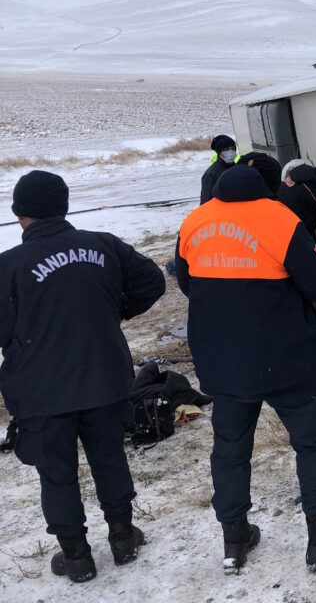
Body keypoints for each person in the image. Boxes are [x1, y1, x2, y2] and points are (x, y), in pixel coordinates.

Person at [174, 165, 316, 574]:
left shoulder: (194, 221)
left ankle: (234, 538)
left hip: (224, 363)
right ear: (267, 190)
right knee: (310, 445)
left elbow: (187, 282)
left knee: (230, 450)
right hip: (288, 358)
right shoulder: (279, 218)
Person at [0, 171, 165, 583]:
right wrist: (114, 311)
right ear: (65, 205)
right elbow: (152, 281)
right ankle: (124, 538)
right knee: (109, 456)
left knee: (56, 472)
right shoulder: (103, 245)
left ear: (20, 213)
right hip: (104, 377)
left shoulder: (9, 266)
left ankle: (76, 558)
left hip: (42, 389)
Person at [200, 134, 237, 204]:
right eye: (226, 149)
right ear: (219, 152)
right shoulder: (211, 174)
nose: (231, 152)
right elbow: (205, 202)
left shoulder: (238, 168)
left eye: (233, 149)